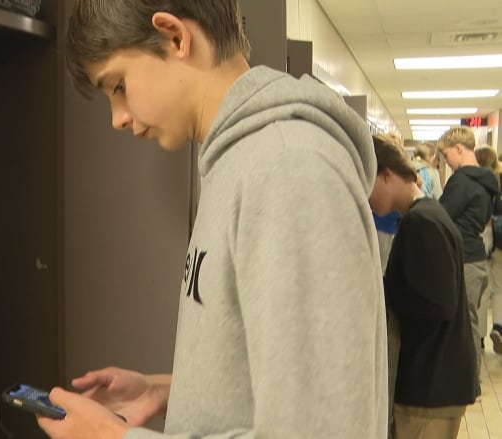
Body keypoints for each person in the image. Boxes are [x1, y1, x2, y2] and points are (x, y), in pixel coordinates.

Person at [37, 1, 389, 438]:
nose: (118, 118)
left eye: (119, 86)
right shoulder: (240, 163)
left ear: (175, 37)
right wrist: (168, 390)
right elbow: (276, 384)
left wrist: (116, 438)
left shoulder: (288, 166)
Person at [370, 134, 476, 439]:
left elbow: (438, 304)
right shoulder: (426, 215)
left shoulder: (422, 222)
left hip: (430, 385)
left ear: (387, 174)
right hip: (437, 380)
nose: (367, 198)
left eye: (369, 185)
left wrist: (384, 293)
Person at [438, 127, 499, 396]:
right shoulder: (487, 182)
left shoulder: (462, 181)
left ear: (460, 149)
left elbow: (441, 214)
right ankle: (467, 378)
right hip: (477, 258)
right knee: (469, 320)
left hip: (462, 258)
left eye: (446, 154)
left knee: (466, 323)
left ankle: (468, 381)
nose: (446, 161)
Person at [475, 146, 502, 354]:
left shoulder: (475, 181)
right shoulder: (498, 179)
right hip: (500, 242)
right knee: (499, 287)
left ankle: (480, 337)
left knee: (482, 290)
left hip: (482, 237)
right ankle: (499, 327)